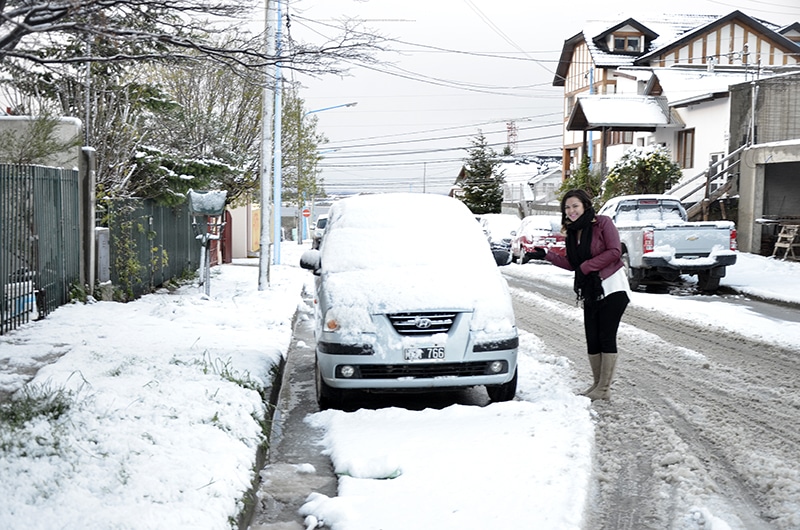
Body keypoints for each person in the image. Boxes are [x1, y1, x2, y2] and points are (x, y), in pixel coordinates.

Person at [532, 189, 631, 401]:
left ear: (585, 205)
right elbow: (572, 264)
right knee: (592, 338)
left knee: (606, 336)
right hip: (590, 290)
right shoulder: (572, 232)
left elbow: (615, 251)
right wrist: (546, 254)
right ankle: (597, 384)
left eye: (575, 205)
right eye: (567, 207)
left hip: (613, 287)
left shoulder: (602, 223)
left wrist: (587, 266)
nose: (571, 210)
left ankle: (604, 389)